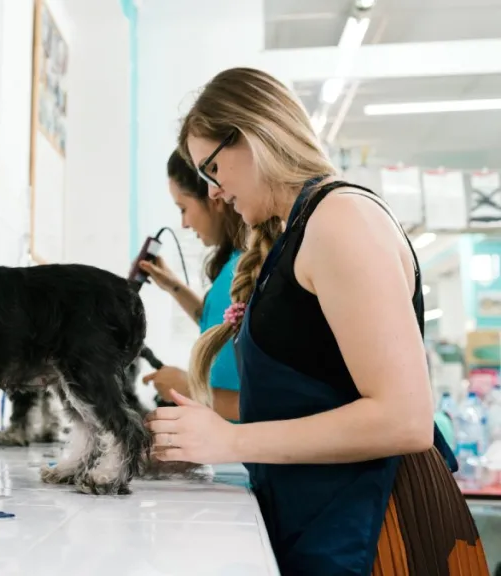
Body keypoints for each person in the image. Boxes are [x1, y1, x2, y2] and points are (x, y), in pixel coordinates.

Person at [146, 66, 488, 575]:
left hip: (371, 531)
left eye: (212, 170)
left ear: (254, 136)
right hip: (318, 520)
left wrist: (231, 440)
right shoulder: (295, 233)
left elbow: (405, 418)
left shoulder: (341, 219)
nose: (213, 193)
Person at [137, 151, 247, 421]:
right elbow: (217, 324)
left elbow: (263, 410)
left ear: (214, 196)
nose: (184, 223)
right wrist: (174, 287)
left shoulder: (247, 269)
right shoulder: (234, 265)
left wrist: (188, 388)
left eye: (183, 208)